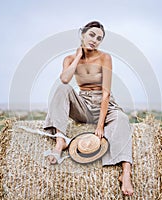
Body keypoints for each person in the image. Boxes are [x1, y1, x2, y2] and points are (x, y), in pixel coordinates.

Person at [43, 21, 134, 196]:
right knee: (62, 89)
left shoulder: (105, 58)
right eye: (92, 35)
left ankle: (126, 172)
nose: (95, 40)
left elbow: (106, 93)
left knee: (122, 120)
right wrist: (78, 56)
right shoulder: (69, 59)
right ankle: (60, 141)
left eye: (99, 38)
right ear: (82, 34)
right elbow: (64, 79)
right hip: (83, 103)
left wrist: (100, 125)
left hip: (105, 104)